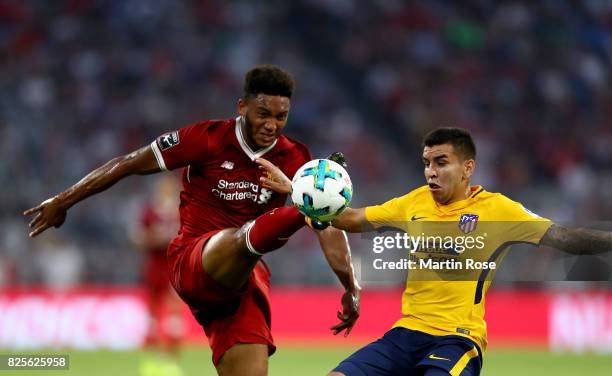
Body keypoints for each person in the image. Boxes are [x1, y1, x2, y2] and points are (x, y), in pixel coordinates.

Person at [24, 65, 360, 376]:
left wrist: (350, 287)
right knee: (260, 229)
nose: (272, 125)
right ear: (242, 107)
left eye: (281, 116)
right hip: (193, 260)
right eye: (263, 114)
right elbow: (128, 163)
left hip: (242, 284)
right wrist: (63, 200)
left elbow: (325, 222)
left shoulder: (293, 157)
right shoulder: (206, 138)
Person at [258, 127, 611, 376]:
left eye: (441, 162)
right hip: (405, 334)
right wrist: (298, 189)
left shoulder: (500, 211)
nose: (431, 171)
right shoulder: (414, 202)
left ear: (467, 168)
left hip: (457, 339)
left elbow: (566, 238)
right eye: (427, 163)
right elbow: (348, 218)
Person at [129, 174, 183, 355]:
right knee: (153, 302)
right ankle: (151, 340)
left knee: (174, 302)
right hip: (154, 263)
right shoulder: (151, 211)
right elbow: (137, 236)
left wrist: (169, 237)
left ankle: (173, 342)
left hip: (173, 263)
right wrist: (152, 237)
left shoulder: (180, 210)